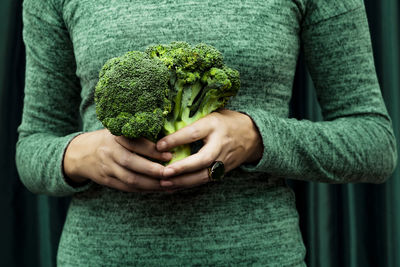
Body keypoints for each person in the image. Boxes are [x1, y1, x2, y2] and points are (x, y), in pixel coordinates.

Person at [16, 0, 397, 265]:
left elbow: (375, 143)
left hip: (257, 258)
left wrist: (256, 137)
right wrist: (81, 155)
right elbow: (31, 146)